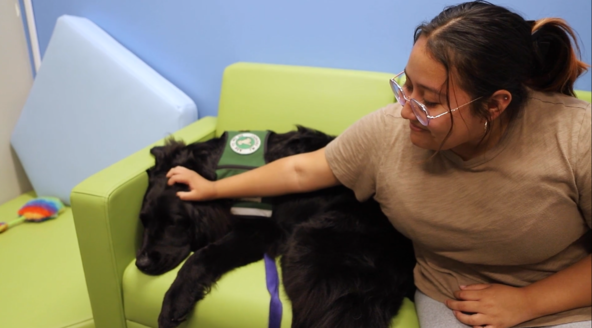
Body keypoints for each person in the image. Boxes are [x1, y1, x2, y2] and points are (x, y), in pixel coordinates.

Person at [165, 1, 591, 327]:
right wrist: (214, 188)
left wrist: (526, 303)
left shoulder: (575, 136)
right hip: (456, 299)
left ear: (495, 105)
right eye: (405, 85)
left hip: (566, 299)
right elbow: (302, 168)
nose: (406, 109)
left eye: (430, 100)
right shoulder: (389, 132)